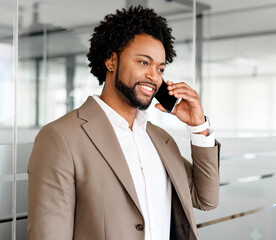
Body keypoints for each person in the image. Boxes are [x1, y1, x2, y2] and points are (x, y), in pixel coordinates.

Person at [27, 6, 220, 240]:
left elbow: (206, 199)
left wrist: (198, 125)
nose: (154, 76)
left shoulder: (160, 140)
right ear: (111, 60)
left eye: (160, 68)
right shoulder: (61, 137)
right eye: (143, 63)